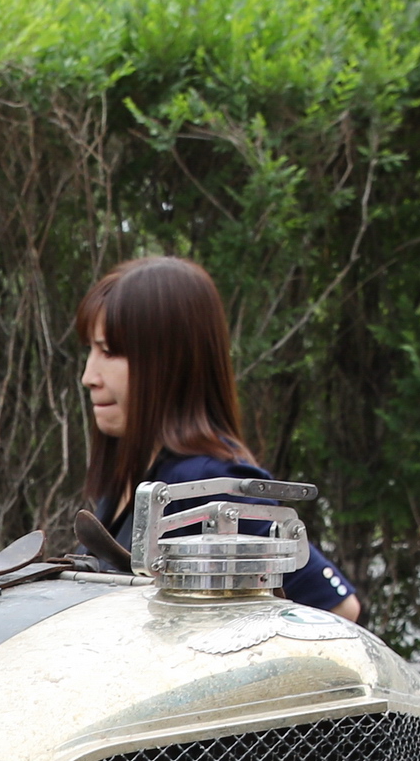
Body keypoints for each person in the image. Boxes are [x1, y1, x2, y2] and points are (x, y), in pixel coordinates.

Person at [68, 254, 360, 619]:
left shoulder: (204, 485)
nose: (89, 376)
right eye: (90, 350)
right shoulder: (134, 481)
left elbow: (338, 610)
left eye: (110, 352)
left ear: (169, 363)